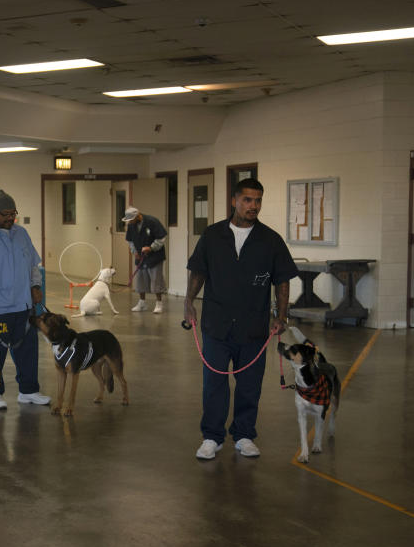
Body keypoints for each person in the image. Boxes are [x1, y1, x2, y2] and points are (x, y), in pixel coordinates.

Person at [184, 178, 297, 460]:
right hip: (216, 325)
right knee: (214, 385)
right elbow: (198, 271)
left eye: (258, 200)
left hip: (253, 328)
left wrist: (281, 316)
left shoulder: (270, 240)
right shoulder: (212, 236)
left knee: (249, 385)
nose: (253, 206)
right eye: (247, 200)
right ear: (234, 201)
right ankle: (212, 437)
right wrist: (188, 302)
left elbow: (282, 280)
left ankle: (244, 435)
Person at [0, 190, 50, 410]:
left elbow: (33, 264)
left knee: (27, 350)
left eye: (13, 213)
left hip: (22, 306)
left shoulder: (21, 234)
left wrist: (35, 286)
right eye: (5, 214)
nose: (10, 218)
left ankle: (29, 391)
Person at [122, 206, 167, 313]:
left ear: (138, 216)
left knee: (156, 280)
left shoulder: (152, 221)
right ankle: (142, 303)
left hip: (155, 256)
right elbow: (130, 241)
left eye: (131, 219)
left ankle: (159, 304)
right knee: (140, 280)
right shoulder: (131, 225)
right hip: (140, 257)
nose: (130, 222)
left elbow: (161, 238)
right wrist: (134, 252)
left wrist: (151, 248)